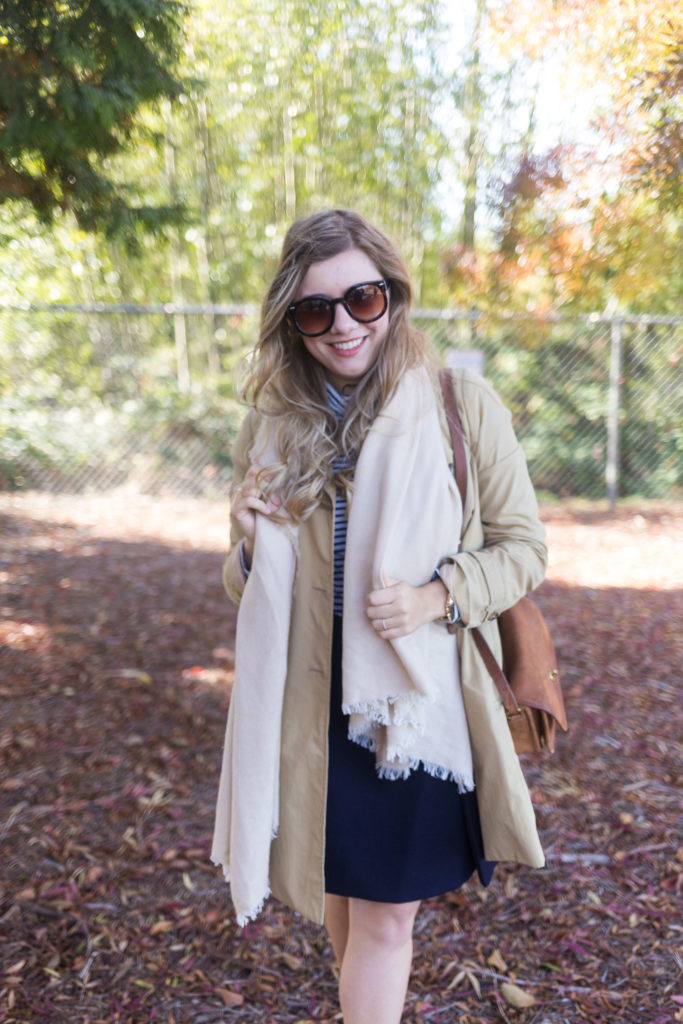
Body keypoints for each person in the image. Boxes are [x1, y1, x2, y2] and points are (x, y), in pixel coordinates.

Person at [212, 209, 548, 1024]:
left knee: (387, 917)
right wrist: (251, 544)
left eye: (360, 299)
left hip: (409, 702)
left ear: (392, 296)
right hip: (309, 706)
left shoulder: (457, 404)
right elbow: (240, 584)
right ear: (292, 321)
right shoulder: (274, 420)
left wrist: (437, 596)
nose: (341, 326)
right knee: (346, 902)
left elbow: (524, 549)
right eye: (315, 310)